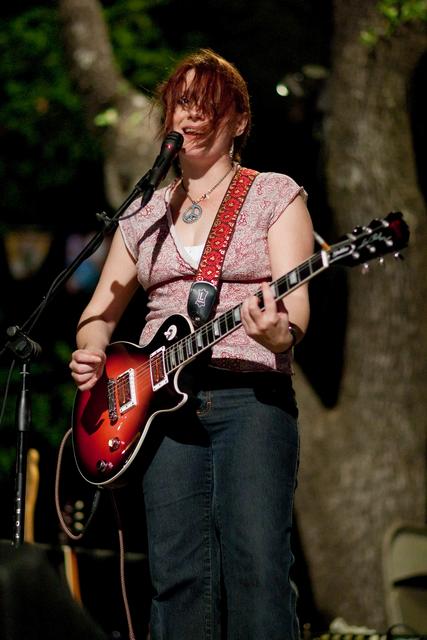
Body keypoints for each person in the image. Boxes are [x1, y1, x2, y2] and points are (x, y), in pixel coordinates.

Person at [69, 48, 314, 640]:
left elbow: (296, 310)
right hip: (157, 412)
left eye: (209, 104)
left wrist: (275, 332)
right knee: (177, 580)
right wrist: (92, 348)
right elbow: (97, 315)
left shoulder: (274, 194)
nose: (193, 114)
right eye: (182, 103)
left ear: (239, 120)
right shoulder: (145, 212)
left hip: (250, 399)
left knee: (256, 567)